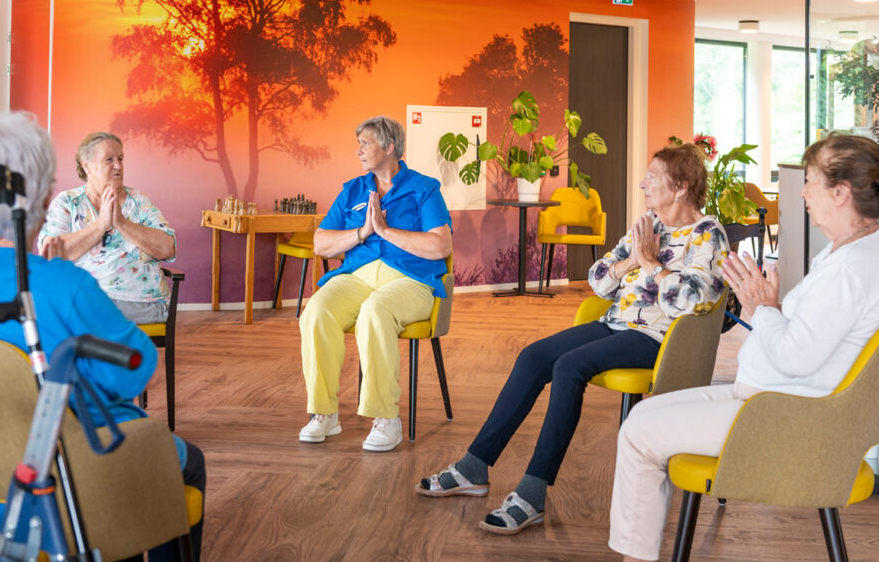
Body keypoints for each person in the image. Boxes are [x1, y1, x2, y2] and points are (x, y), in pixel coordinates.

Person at [609, 134, 879, 562]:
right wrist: (766, 308)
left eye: (809, 180)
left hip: (788, 420)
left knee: (639, 434)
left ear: (841, 192)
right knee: (642, 415)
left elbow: (794, 355)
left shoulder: (854, 268)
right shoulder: (857, 252)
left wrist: (762, 307)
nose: (802, 191)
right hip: (780, 402)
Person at [417, 142, 729, 535]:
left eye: (651, 178)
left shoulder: (707, 235)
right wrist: (632, 259)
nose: (641, 184)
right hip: (615, 323)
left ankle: (532, 494)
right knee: (532, 357)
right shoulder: (649, 223)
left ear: (680, 187)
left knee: (569, 366)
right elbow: (599, 280)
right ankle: (473, 467)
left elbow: (693, 302)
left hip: (660, 338)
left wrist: (649, 263)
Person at [0, 111, 204, 562]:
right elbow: (141, 374)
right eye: (109, 160)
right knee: (187, 461)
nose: (119, 167)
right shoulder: (63, 286)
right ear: (45, 199)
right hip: (58, 487)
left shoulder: (130, 210)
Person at [298, 116, 452, 451]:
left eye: (365, 143)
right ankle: (324, 413)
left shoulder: (424, 189)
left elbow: (441, 246)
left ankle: (386, 418)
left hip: (411, 281)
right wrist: (362, 232)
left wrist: (384, 231)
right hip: (358, 278)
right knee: (316, 310)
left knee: (375, 311)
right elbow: (320, 243)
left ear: (389, 147)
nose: (358, 151)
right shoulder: (353, 190)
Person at [38, 131, 175, 324]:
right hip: (85, 299)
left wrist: (122, 223)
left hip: (142, 302)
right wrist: (101, 225)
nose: (118, 165)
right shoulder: (67, 203)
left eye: (120, 158)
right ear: (87, 166)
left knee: (67, 316)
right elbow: (50, 254)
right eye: (108, 159)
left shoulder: (139, 201)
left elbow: (166, 249)